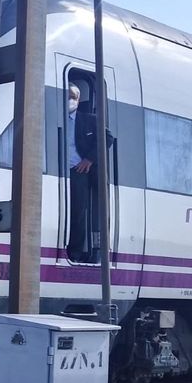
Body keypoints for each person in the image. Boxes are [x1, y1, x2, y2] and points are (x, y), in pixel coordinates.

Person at [66, 80, 113, 263]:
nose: (70, 100)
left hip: (77, 171)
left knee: (77, 213)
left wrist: (89, 159)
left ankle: (75, 252)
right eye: (67, 96)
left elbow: (108, 138)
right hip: (57, 170)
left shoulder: (89, 119)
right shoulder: (50, 115)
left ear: (78, 100)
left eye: (73, 97)